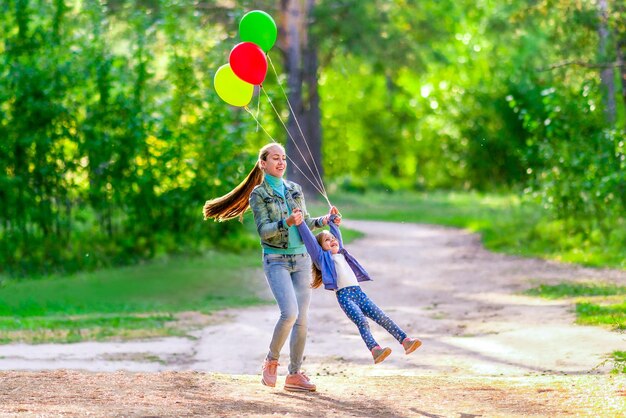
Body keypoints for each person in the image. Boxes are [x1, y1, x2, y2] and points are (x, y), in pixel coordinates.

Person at [203, 143, 333, 392]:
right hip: (276, 261)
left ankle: (294, 375)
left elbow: (304, 222)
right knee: (290, 313)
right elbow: (265, 231)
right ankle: (271, 361)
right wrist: (286, 221)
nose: (281, 162)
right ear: (263, 163)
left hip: (301, 260)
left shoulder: (295, 189)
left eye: (283, 158)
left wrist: (325, 220)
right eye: (275, 158)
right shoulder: (258, 194)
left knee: (302, 319)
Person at [295, 206, 422, 364]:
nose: (332, 240)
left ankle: (405, 341)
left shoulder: (340, 252)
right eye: (327, 240)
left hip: (359, 293)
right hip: (345, 297)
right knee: (362, 321)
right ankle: (375, 350)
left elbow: (336, 234)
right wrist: (300, 224)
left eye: (332, 238)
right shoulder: (322, 259)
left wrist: (333, 219)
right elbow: (310, 241)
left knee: (382, 317)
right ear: (321, 248)